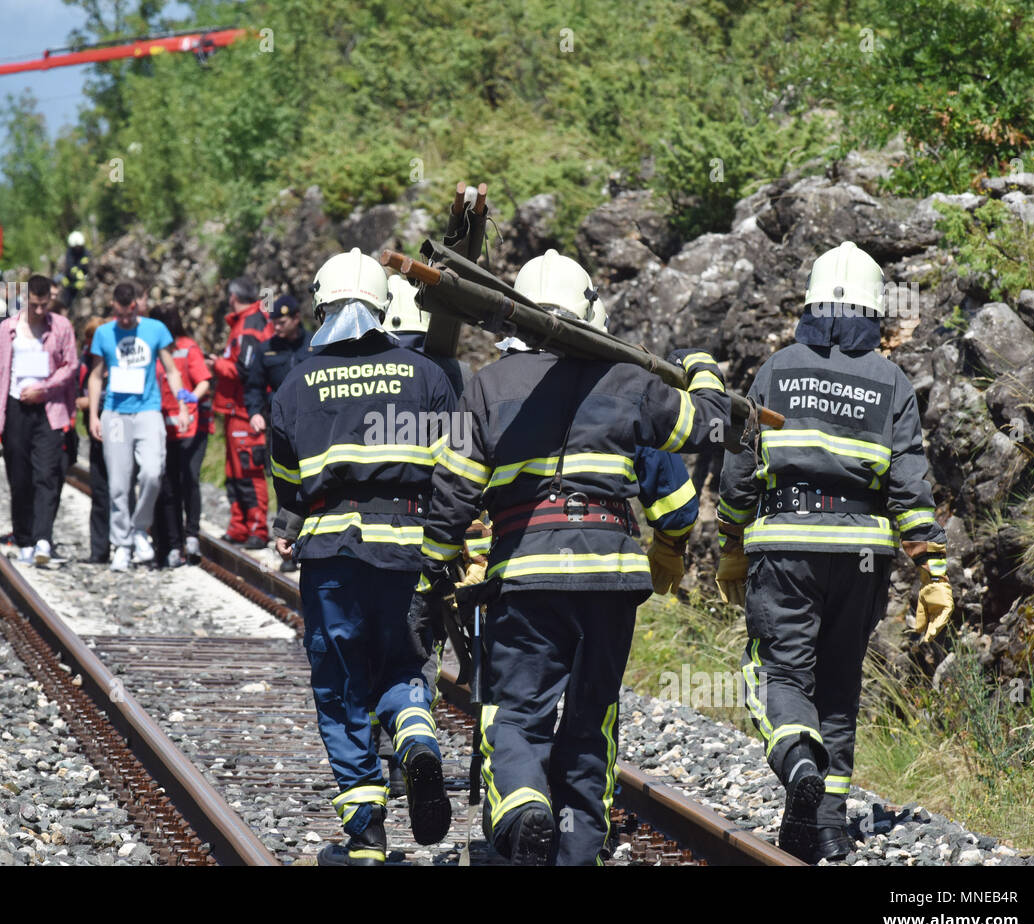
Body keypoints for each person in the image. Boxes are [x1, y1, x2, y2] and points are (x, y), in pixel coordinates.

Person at [416, 249, 729, 865]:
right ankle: (578, 849)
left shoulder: (486, 387)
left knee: (514, 714)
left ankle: (527, 806)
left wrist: (431, 570)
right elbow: (710, 428)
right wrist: (703, 371)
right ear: (589, 314)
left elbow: (450, 492)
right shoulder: (629, 381)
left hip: (526, 580)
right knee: (592, 720)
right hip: (610, 581)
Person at [715, 241, 952, 864]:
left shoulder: (776, 369)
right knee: (840, 683)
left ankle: (799, 768)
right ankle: (825, 827)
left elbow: (741, 461)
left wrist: (730, 541)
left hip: (787, 543)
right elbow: (909, 479)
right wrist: (932, 567)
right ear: (874, 310)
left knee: (780, 675)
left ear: (810, 301)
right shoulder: (891, 380)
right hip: (863, 555)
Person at [269, 248, 456, 866]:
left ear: (322, 305)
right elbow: (457, 470)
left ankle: (366, 837)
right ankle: (418, 741)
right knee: (403, 665)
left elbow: (288, 484)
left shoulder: (298, 380)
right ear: (382, 304)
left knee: (342, 685)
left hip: (331, 554)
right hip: (408, 544)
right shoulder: (425, 374)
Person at [86, 282, 189, 573]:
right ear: (113, 307)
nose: (125, 320)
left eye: (129, 314)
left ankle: (139, 529)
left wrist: (182, 405)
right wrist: (94, 415)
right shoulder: (105, 333)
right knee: (118, 483)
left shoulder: (155, 330)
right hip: (116, 413)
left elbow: (171, 370)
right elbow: (95, 376)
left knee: (153, 473)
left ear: (136, 305)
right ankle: (121, 544)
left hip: (147, 410)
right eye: (120, 315)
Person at [0, 274, 79, 567]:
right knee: (19, 476)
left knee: (47, 475)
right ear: (25, 300)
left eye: (44, 305)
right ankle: (24, 539)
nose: (39, 311)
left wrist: (44, 388)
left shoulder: (61, 327)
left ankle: (43, 539)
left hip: (50, 408)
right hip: (14, 409)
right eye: (34, 305)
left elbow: (70, 365)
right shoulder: (7, 330)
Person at [245, 294, 312, 572]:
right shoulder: (266, 349)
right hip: (281, 427)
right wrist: (255, 412)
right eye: (273, 321)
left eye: (282, 321)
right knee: (284, 485)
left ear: (296, 318)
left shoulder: (315, 345)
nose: (276, 326)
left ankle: (309, 546)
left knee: (313, 483)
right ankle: (287, 543)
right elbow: (253, 387)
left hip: (313, 426)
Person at [211, 277, 273, 549]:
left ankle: (258, 530)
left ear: (233, 297)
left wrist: (218, 365)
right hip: (234, 409)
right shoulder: (244, 322)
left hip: (246, 411)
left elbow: (244, 370)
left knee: (249, 472)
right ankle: (239, 526)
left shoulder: (249, 325)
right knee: (234, 473)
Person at [150, 304, 211, 568]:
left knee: (189, 479)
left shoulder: (187, 347)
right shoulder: (151, 351)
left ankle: (192, 535)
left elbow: (203, 381)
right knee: (168, 485)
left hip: (191, 426)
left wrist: (191, 399)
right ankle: (174, 544)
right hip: (162, 427)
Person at [77, 316, 115, 563]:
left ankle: (124, 544)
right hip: (97, 427)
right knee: (100, 488)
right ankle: (99, 550)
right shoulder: (85, 360)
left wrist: (87, 402)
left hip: (118, 425)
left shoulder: (116, 358)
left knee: (120, 489)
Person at [59, 231, 91, 312]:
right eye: (75, 247)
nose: (78, 249)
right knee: (65, 301)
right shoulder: (69, 253)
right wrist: (77, 274)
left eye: (79, 247)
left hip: (84, 283)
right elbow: (70, 266)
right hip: (69, 282)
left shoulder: (86, 252)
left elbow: (89, 265)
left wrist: (83, 275)